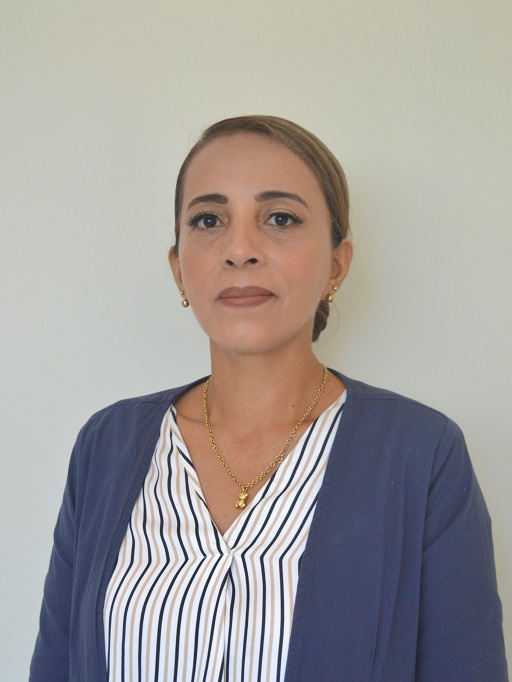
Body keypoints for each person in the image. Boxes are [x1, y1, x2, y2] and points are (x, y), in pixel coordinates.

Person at [30, 115, 508, 682]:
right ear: (179, 269)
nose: (240, 249)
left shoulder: (421, 454)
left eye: (280, 218)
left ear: (336, 265)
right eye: (208, 220)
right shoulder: (107, 446)